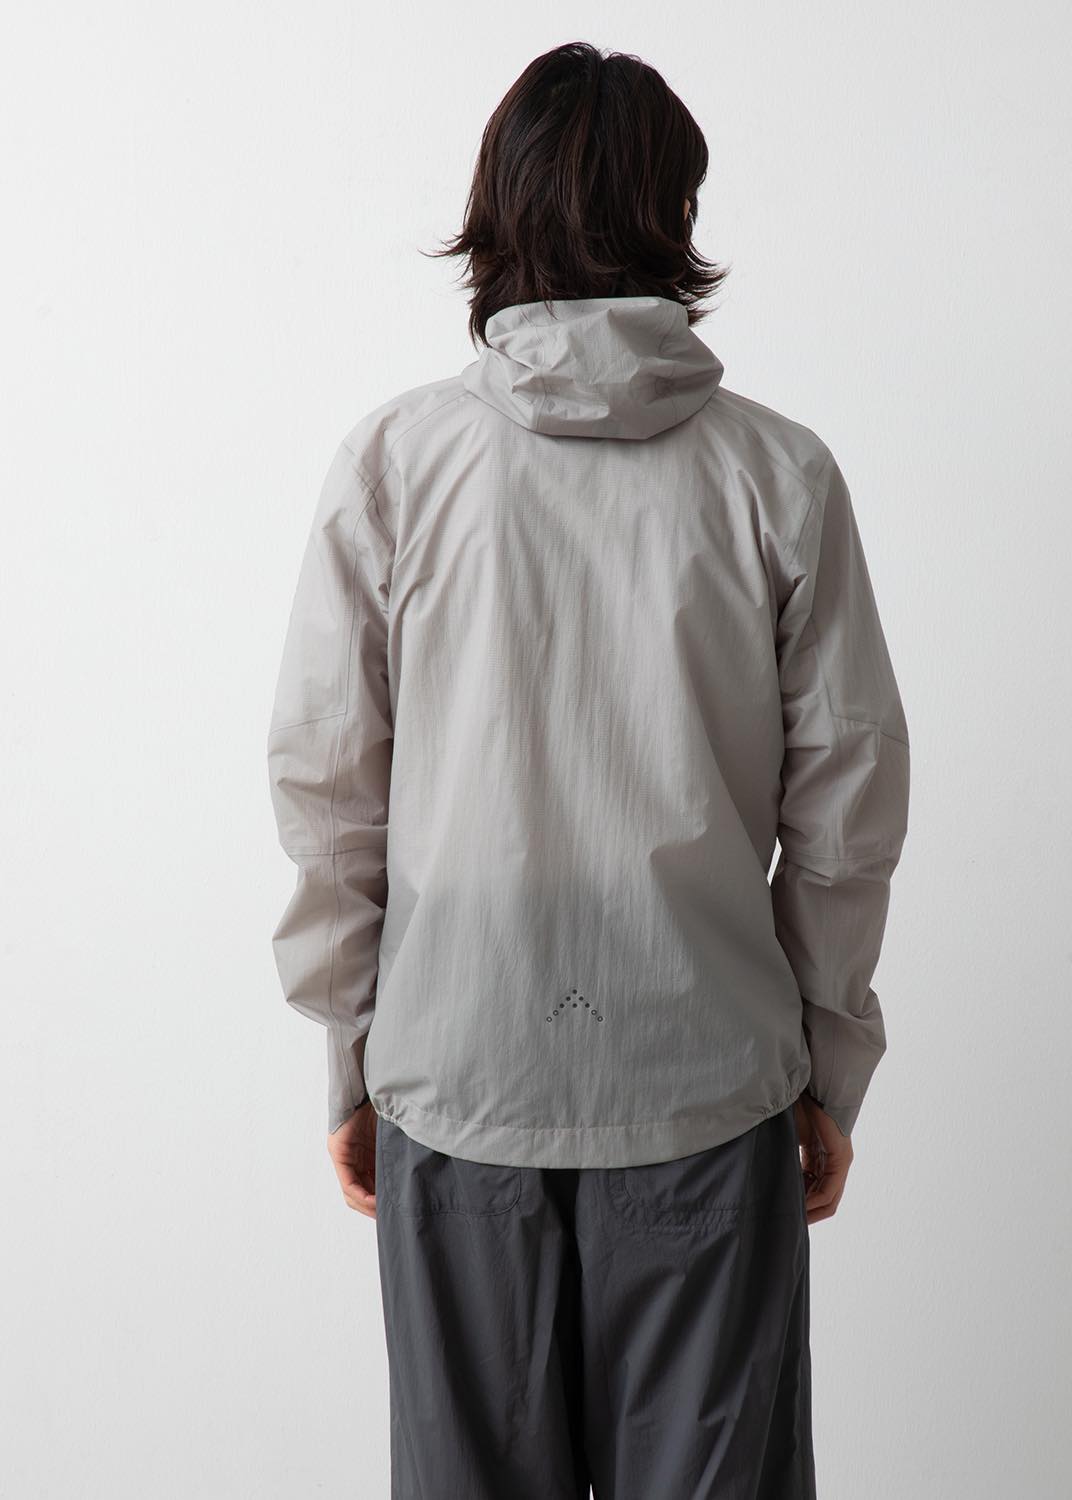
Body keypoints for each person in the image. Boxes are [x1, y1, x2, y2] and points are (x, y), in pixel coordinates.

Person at [266, 39, 910, 1500]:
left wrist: (349, 1053)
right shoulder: (779, 477)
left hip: (458, 1081)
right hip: (709, 1089)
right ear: (676, 216)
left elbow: (327, 788)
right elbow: (847, 805)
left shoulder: (394, 466)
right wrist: (830, 1061)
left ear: (493, 212)